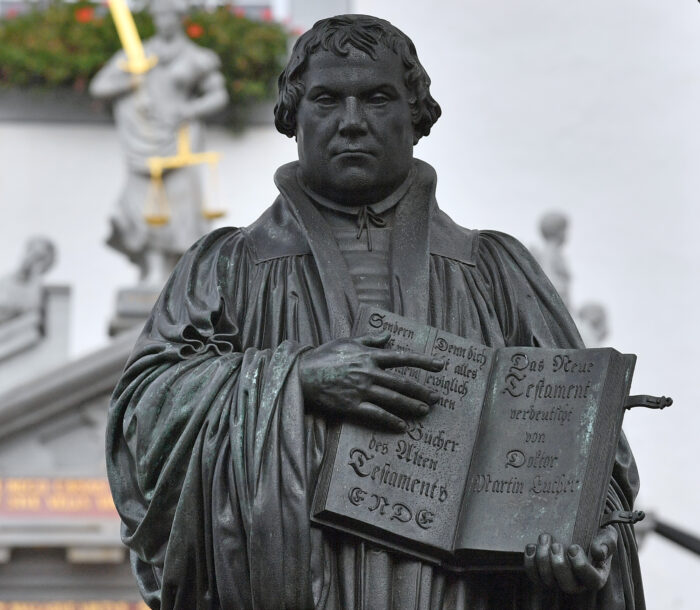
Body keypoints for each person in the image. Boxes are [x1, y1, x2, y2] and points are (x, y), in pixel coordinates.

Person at [107, 15, 644, 609]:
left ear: (417, 116)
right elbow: (141, 423)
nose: (352, 121)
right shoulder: (228, 268)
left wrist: (583, 544)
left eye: (378, 97)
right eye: (327, 99)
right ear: (293, 117)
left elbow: (596, 458)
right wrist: (295, 379)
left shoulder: (495, 273)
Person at [90, 0, 228, 286]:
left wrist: (188, 110)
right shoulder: (138, 54)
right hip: (145, 141)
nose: (162, 21)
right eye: (158, 15)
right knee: (144, 205)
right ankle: (152, 269)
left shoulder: (196, 57)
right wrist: (132, 81)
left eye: (167, 15)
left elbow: (218, 96)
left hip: (180, 141)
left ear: (180, 18)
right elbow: (99, 86)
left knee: (179, 206)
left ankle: (177, 275)